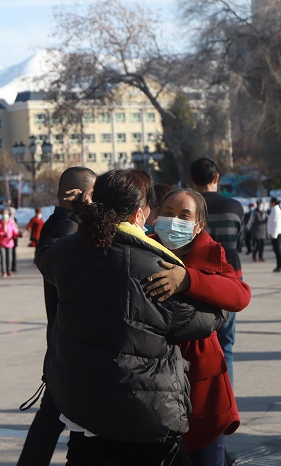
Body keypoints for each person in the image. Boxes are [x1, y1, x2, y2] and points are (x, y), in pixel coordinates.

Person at [40, 169, 223, 465]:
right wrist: (193, 278)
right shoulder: (157, 266)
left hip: (83, 407)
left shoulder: (66, 251)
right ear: (140, 214)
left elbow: (45, 255)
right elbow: (205, 320)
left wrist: (69, 214)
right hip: (143, 412)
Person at [145, 189, 251, 465]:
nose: (174, 220)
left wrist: (189, 280)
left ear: (199, 225)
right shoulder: (142, 249)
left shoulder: (211, 253)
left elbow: (239, 295)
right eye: (168, 213)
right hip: (153, 380)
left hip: (201, 381)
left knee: (206, 454)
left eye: (184, 216)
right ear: (156, 216)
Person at [18, 166, 96, 466]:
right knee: (61, 416)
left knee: (54, 415)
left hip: (64, 337)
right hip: (69, 337)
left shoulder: (63, 223)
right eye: (94, 194)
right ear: (78, 195)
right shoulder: (66, 228)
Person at [190, 157, 245, 386]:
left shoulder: (189, 207)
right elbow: (238, 244)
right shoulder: (235, 207)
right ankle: (227, 398)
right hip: (230, 280)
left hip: (196, 279)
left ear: (192, 180)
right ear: (216, 178)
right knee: (226, 346)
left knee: (197, 346)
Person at [0, 208, 18, 277]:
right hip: (1, 242)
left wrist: (18, 234)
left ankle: (9, 270)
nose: (5, 216)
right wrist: (2, 234)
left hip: (9, 242)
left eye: (6, 214)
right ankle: (3, 271)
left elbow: (14, 231)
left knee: (9, 257)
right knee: (3, 257)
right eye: (4, 214)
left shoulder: (11, 222)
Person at [268, 197, 281, 272]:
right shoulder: (275, 209)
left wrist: (274, 235)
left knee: (277, 251)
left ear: (273, 203)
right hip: (275, 233)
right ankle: (279, 265)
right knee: (277, 250)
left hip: (276, 234)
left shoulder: (276, 210)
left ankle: (279, 266)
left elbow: (276, 223)